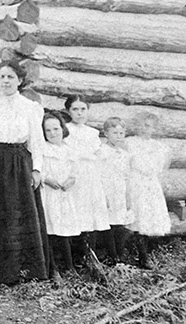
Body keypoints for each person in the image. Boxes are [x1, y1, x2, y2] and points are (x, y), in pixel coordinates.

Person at [0, 60, 48, 284]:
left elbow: (36, 141)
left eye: (10, 77)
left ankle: (23, 271)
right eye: (2, 77)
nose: (6, 81)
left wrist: (36, 170)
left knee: (17, 215)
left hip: (19, 164)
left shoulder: (30, 107)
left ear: (20, 80)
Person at [63, 95, 110, 269]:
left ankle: (89, 254)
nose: (79, 113)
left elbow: (98, 156)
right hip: (74, 175)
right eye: (75, 109)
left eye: (83, 109)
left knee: (92, 213)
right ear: (69, 111)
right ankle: (75, 255)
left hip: (91, 175)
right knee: (76, 212)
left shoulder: (92, 133)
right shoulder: (66, 130)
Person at [125, 113, 172, 269]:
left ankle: (148, 254)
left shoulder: (159, 146)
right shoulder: (129, 143)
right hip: (135, 182)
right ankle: (142, 256)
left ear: (154, 129)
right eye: (143, 125)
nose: (146, 129)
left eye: (149, 126)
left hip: (151, 184)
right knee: (139, 217)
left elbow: (162, 167)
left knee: (150, 218)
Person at [40, 113, 82, 282]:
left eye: (56, 128)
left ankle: (69, 266)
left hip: (65, 194)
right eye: (48, 130)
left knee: (64, 230)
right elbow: (36, 169)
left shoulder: (69, 149)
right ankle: (53, 269)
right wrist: (46, 179)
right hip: (49, 194)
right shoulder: (42, 149)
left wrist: (71, 179)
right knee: (50, 229)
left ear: (62, 128)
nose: (52, 133)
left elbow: (76, 170)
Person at [96, 117, 133, 264]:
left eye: (121, 133)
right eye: (115, 133)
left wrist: (128, 195)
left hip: (120, 190)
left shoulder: (125, 155)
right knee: (109, 224)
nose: (118, 136)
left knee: (121, 224)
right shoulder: (101, 152)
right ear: (106, 134)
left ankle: (120, 252)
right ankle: (112, 256)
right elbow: (98, 174)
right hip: (107, 190)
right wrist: (103, 196)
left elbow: (127, 176)